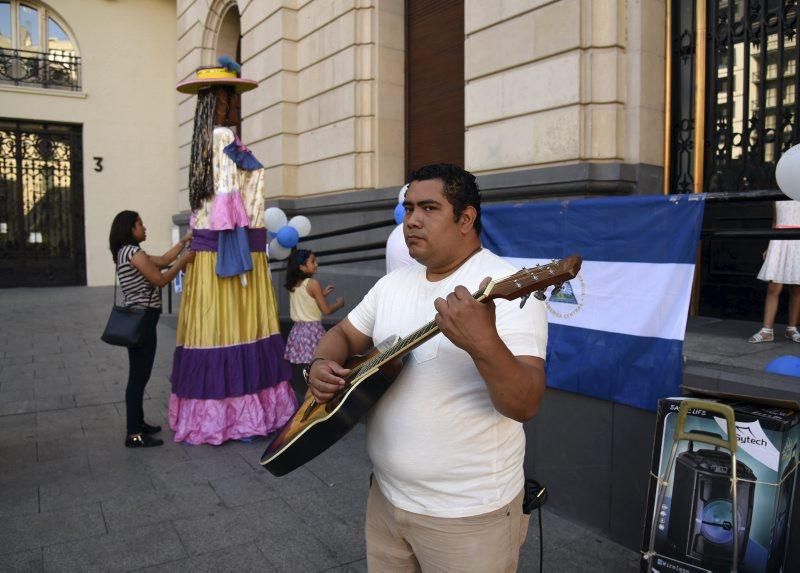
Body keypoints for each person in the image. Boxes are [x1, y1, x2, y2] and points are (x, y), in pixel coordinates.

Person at [306, 163, 548, 572]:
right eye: (408, 207)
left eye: (429, 208)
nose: (411, 220)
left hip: (468, 518)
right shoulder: (393, 284)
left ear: (466, 218)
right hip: (385, 500)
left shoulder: (506, 286)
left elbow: (524, 404)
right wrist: (321, 361)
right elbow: (345, 336)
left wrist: (482, 342)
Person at [169, 59, 296, 445]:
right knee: (239, 324)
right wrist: (241, 256)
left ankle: (219, 414)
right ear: (219, 102)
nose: (237, 104)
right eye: (232, 96)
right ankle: (238, 415)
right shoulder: (223, 138)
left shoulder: (204, 142)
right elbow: (228, 202)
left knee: (214, 329)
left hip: (216, 251)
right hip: (234, 249)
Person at [108, 210, 195, 448]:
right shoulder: (133, 253)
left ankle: (138, 422)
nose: (144, 227)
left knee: (140, 374)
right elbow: (160, 279)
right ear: (130, 229)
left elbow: (163, 260)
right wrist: (184, 262)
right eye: (140, 224)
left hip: (141, 319)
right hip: (142, 320)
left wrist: (183, 242)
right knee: (138, 376)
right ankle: (134, 433)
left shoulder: (128, 252)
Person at [283, 249, 344, 397]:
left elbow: (306, 300)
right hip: (312, 331)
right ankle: (312, 398)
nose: (316, 264)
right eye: (312, 261)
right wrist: (339, 304)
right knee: (316, 367)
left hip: (297, 331)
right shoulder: (313, 283)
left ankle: (302, 397)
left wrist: (321, 294)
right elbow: (326, 310)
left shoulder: (294, 284)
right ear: (302, 267)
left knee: (302, 370)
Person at [749, 199, 800, 343]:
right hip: (780, 240)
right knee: (773, 287)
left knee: (797, 288)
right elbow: (775, 223)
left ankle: (792, 328)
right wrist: (769, 245)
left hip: (798, 240)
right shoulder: (778, 197)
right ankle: (767, 330)